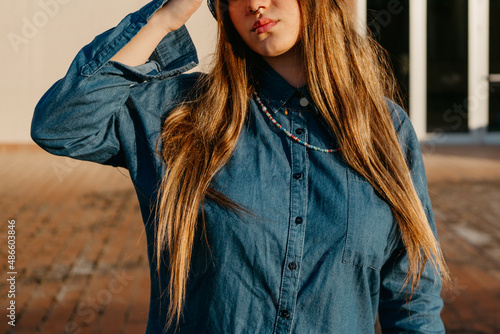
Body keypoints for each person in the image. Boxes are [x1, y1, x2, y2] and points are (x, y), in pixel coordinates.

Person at [31, 0, 450, 332]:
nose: (255, 4)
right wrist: (163, 19)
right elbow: (60, 126)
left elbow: (413, 294)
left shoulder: (384, 127)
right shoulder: (182, 114)